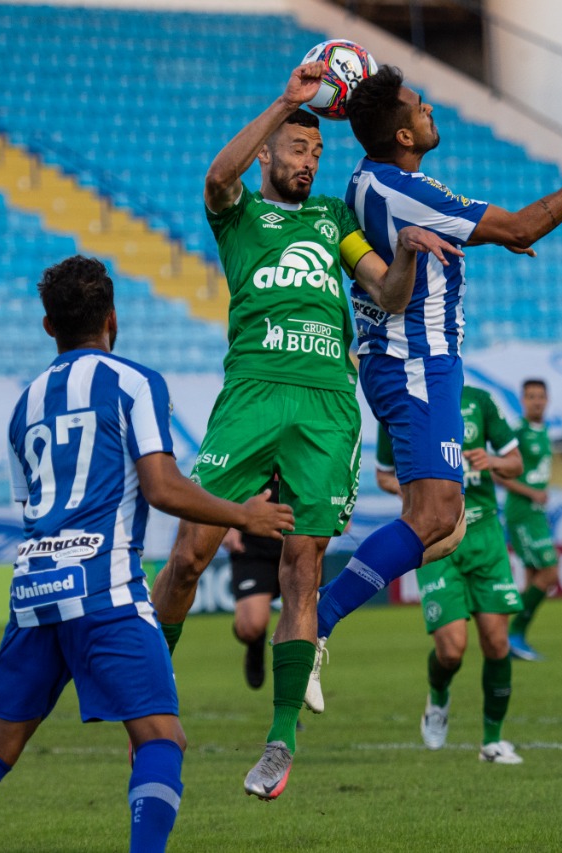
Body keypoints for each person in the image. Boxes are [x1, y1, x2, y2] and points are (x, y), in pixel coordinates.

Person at [148, 61, 460, 801]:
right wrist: (282, 101)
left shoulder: (333, 220)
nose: (308, 159)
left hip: (325, 400)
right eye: (296, 148)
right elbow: (216, 178)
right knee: (190, 554)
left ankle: (280, 740)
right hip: (253, 392)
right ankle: (149, 691)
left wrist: (408, 254)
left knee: (303, 566)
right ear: (269, 154)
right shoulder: (239, 214)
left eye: (316, 151)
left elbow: (382, 289)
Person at [0, 256, 292, 852]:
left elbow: (31, 508)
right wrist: (243, 515)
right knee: (161, 740)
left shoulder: (24, 404)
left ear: (49, 326)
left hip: (34, 591)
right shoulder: (135, 382)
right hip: (104, 586)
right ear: (113, 317)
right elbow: (162, 487)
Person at [311, 65, 562, 700]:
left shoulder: (374, 180)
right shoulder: (401, 191)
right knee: (434, 516)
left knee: (444, 521)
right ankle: (315, 617)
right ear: (403, 135)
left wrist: (498, 237)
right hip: (416, 363)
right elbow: (522, 225)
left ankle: (318, 607)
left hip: (411, 360)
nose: (430, 107)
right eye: (418, 105)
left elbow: (490, 231)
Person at [375, 385, 525, 764]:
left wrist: (491, 461)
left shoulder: (480, 401)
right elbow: (383, 475)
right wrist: (415, 491)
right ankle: (438, 697)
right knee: (452, 649)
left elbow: (516, 463)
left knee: (497, 643)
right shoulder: (399, 401)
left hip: (485, 537)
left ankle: (492, 742)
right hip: (436, 537)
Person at [498, 378, 558, 661]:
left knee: (535, 576)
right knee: (550, 572)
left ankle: (513, 639)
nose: (536, 401)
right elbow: (497, 472)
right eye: (530, 396)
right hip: (521, 512)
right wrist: (531, 493)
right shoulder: (518, 431)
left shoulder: (543, 430)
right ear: (522, 400)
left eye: (540, 396)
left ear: (547, 400)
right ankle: (512, 634)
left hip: (536, 513)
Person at [225, 479, 285, 690]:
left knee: (302, 626)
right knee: (250, 627)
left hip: (300, 537)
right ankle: (255, 644)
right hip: (253, 541)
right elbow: (230, 471)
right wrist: (228, 523)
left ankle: (288, 708)